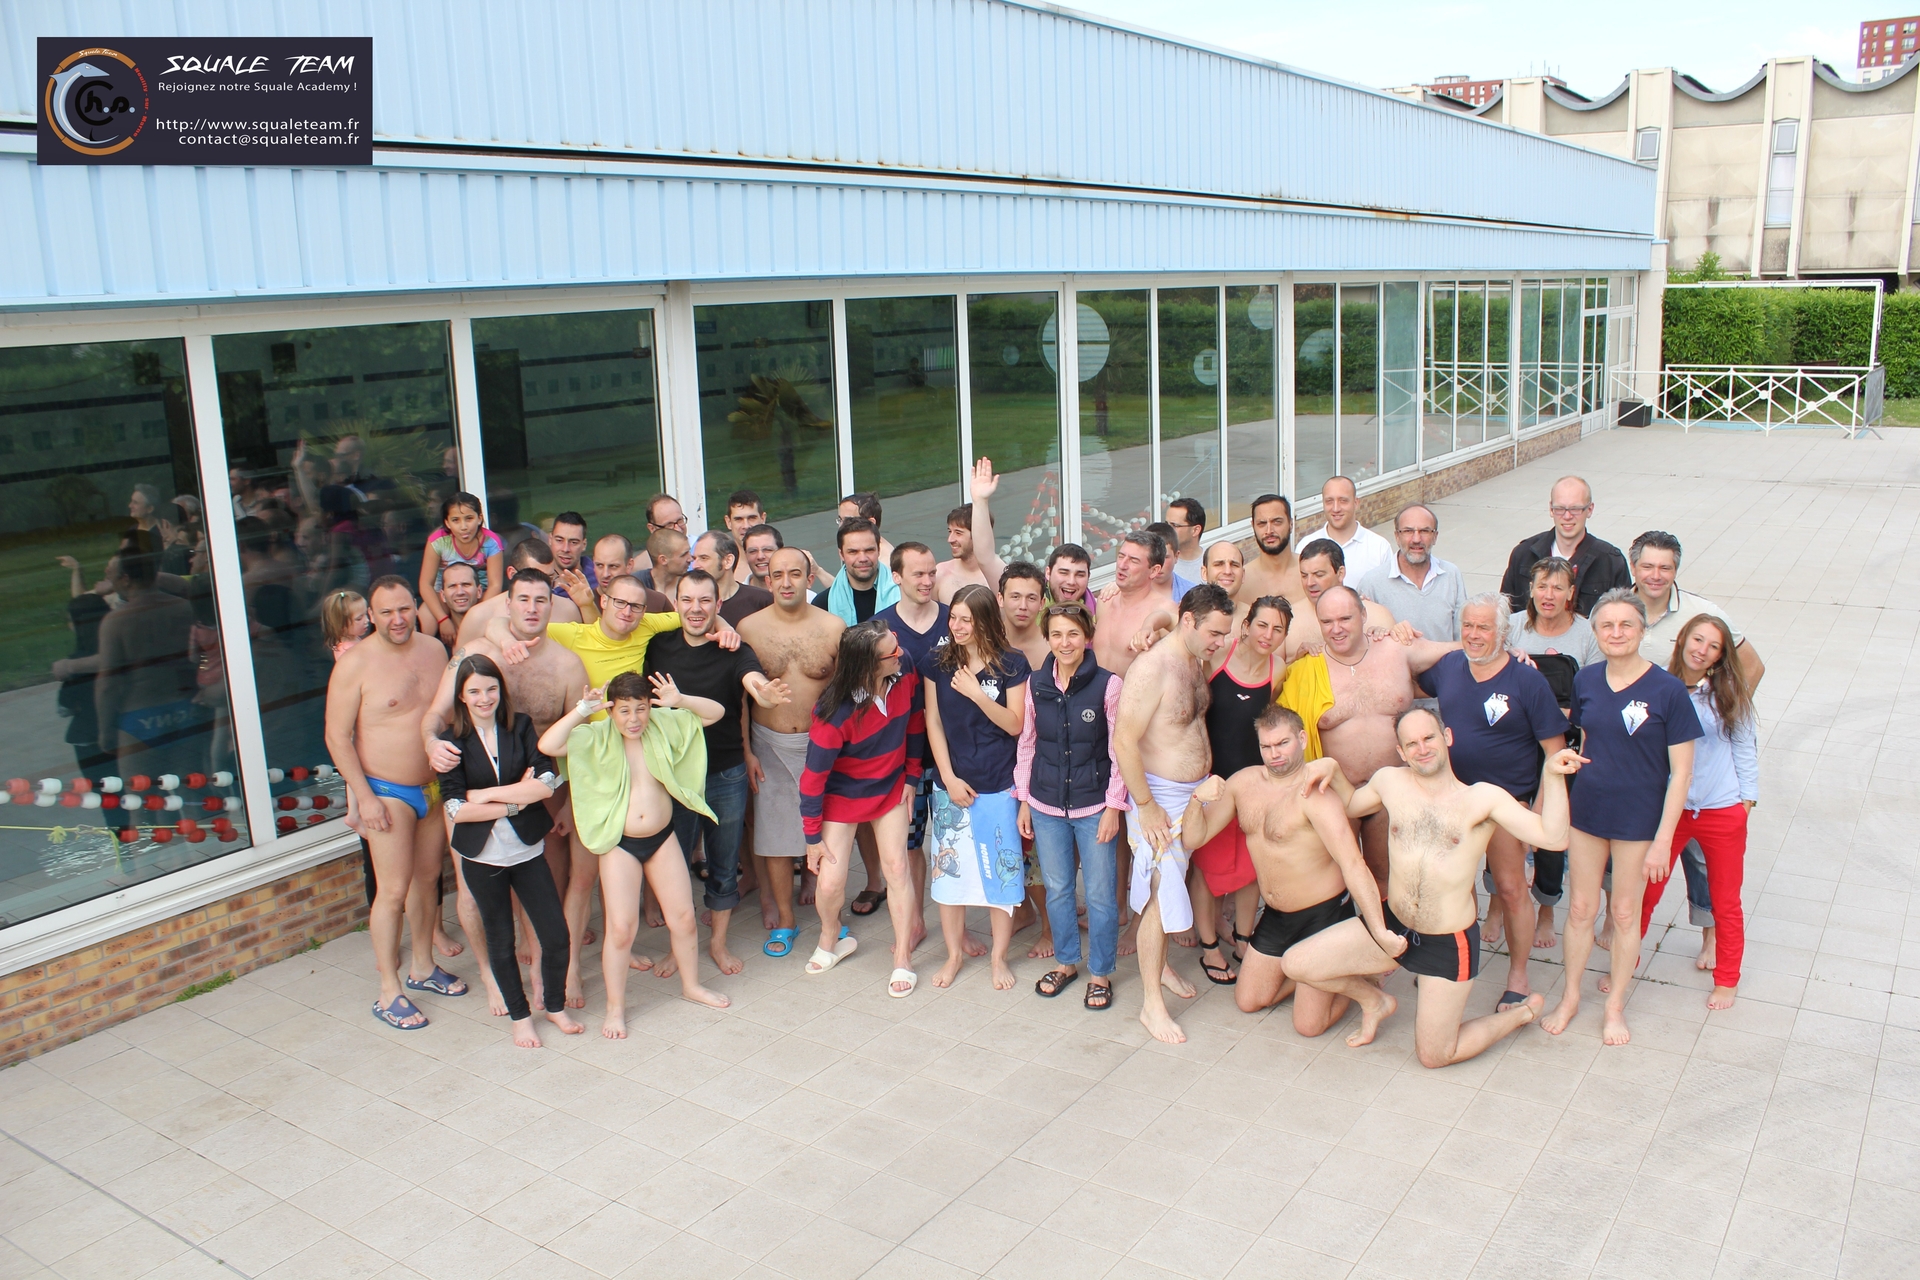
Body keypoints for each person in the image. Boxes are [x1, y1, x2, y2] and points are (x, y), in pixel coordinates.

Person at [1295, 710, 1583, 1066]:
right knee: (1298, 964)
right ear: (1401, 752)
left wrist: (1552, 777)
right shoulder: (1390, 781)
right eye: (1411, 743)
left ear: (1447, 737)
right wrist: (1333, 768)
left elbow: (1553, 838)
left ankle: (1522, 1014)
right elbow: (1353, 804)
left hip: (1448, 941)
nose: (1422, 749)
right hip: (1393, 927)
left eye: (1429, 738)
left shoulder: (1483, 799)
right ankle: (1375, 1001)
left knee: (1435, 1055)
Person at [1178, 705, 1400, 1041]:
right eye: (1266, 746)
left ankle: (1364, 988)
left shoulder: (1315, 793)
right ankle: (1320, 970)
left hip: (1322, 916)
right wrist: (1197, 800)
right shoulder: (1243, 783)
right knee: (1249, 1001)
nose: (1274, 754)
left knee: (1308, 1026)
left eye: (1283, 743)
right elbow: (1194, 838)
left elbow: (1353, 863)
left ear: (1302, 739)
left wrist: (1378, 930)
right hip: (1276, 916)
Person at [1541, 588, 1701, 1046]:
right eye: (1607, 625)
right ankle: (1570, 996)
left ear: (1642, 630)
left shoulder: (1668, 691)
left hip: (1638, 818)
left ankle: (1614, 1007)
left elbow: (1682, 773)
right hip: (1589, 809)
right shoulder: (1587, 679)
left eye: (1626, 624)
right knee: (1580, 909)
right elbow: (1590, 737)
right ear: (1595, 631)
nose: (1616, 633)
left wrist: (1663, 840)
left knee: (1625, 912)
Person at [426, 569, 593, 1001]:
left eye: (541, 600)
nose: (532, 609)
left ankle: (540, 972)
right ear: (508, 604)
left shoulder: (567, 665)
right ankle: (489, 974)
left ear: (552, 606)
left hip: (540, 788)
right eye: (523, 599)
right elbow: (437, 713)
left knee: (541, 884)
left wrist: (570, 802)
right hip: (471, 788)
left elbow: (581, 743)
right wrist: (431, 742)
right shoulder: (476, 654)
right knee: (471, 891)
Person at [539, 672, 731, 1036]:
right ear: (611, 711)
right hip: (620, 843)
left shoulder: (663, 725)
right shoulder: (595, 736)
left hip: (661, 837)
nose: (634, 719)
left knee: (684, 918)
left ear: (649, 708)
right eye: (625, 711)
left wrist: (680, 700)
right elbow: (549, 744)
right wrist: (582, 710)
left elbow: (715, 713)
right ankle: (615, 1008)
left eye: (641, 709)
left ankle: (691, 986)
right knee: (621, 929)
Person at [1414, 594, 1566, 1010]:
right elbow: (1410, 676)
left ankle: (1518, 975)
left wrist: (1539, 815)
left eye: (1484, 627)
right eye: (1468, 625)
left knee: (1513, 889)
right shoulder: (1449, 667)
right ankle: (1447, 960)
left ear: (1503, 633)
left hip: (1506, 805)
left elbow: (1555, 752)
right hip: (1454, 800)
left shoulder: (1527, 681)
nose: (1474, 635)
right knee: (1452, 887)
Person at [325, 576, 464, 1032]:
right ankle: (389, 990)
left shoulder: (434, 650)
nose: (398, 619)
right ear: (371, 616)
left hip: (433, 786)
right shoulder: (355, 664)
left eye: (404, 609)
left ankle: (423, 966)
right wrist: (363, 797)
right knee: (392, 891)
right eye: (386, 612)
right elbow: (336, 737)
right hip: (387, 791)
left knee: (427, 880)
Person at [645, 570, 792, 978]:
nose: (696, 609)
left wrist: (764, 692)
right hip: (674, 776)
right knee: (674, 866)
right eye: (687, 600)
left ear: (718, 604)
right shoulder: (657, 646)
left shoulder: (734, 649)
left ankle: (717, 943)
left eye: (705, 600)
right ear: (676, 603)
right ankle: (679, 946)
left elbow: (753, 679)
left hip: (724, 773)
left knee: (724, 863)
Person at [436, 655, 581, 1048]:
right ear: (462, 697)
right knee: (501, 942)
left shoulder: (520, 726)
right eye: (474, 691)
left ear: (501, 689)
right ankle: (520, 1017)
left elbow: (546, 783)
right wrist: (516, 801)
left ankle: (554, 1006)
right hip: (482, 858)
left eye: (491, 688)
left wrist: (486, 796)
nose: (484, 698)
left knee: (556, 936)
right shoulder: (451, 742)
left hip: (527, 851)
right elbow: (456, 809)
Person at [1114, 583, 1236, 1044]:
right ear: (1190, 622)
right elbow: (1124, 739)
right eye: (1215, 633)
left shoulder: (1193, 655)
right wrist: (1146, 806)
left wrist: (1156, 622)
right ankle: (1151, 1004)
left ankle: (1161, 966)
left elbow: (1167, 610)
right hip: (1158, 796)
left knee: (1171, 886)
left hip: (1194, 794)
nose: (1220, 642)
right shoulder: (1152, 668)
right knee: (1159, 891)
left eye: (1224, 634)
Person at [1283, 585, 1445, 887]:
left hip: (1390, 791)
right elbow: (1274, 719)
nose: (1336, 629)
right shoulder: (1306, 668)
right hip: (1333, 793)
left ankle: (1386, 918)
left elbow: (1462, 649)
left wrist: (1509, 652)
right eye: (1327, 622)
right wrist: (1292, 658)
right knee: (1332, 883)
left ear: (1363, 615)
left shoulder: (1395, 649)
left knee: (1387, 879)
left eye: (1345, 619)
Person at [799, 619, 926, 996]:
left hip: (890, 787)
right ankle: (830, 937)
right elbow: (813, 779)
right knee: (830, 881)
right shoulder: (833, 712)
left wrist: (912, 776)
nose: (900, 652)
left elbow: (915, 720)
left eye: (896, 643)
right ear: (869, 665)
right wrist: (811, 838)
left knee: (897, 867)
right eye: (891, 651)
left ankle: (902, 956)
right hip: (843, 796)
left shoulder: (905, 669)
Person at [1640, 614, 1756, 1011]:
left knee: (1726, 901)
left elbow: (1745, 749)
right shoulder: (1657, 685)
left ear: (1720, 656)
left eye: (1713, 646)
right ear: (1682, 639)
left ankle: (1727, 979)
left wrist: (1745, 804)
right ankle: (1626, 961)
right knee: (1645, 891)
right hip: (1670, 810)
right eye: (1698, 640)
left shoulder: (1728, 694)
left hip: (1720, 810)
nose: (1702, 650)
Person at [1016, 603, 1128, 1011]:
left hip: (1094, 806)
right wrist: (1024, 800)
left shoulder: (1108, 685)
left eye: (1073, 634)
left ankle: (1100, 972)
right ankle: (1065, 963)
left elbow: (1119, 750)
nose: (1065, 643)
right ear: (1048, 638)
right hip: (1045, 805)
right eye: (1057, 634)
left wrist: (1114, 806)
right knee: (1059, 889)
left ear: (1087, 637)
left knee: (1099, 895)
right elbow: (1027, 743)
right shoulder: (1035, 684)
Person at [922, 585, 1032, 991]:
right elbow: (933, 721)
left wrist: (977, 694)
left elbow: (1016, 724)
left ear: (985, 621)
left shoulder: (1012, 664)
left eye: (966, 619)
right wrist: (948, 778)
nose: (957, 626)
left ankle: (999, 957)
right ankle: (953, 955)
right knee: (948, 876)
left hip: (999, 784)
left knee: (1002, 875)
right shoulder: (938, 661)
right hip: (952, 785)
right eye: (953, 617)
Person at [737, 548, 846, 957]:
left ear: (809, 578)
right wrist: (747, 751)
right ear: (767, 581)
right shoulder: (749, 628)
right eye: (778, 575)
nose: (786, 582)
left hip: (822, 746)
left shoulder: (833, 626)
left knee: (831, 836)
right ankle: (786, 919)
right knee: (776, 838)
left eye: (795, 574)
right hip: (768, 744)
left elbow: (846, 694)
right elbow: (738, 698)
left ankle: (830, 917)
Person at [1188, 593, 1292, 983]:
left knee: (1251, 868)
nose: (1268, 634)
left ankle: (1244, 939)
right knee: (1206, 868)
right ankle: (1209, 946)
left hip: (1254, 785)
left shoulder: (1277, 669)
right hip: (1214, 783)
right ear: (1246, 625)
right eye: (1262, 624)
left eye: (1278, 629)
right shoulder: (1218, 656)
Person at [1504, 555, 1600, 949]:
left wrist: (1549, 712)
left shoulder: (1587, 634)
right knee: (1505, 821)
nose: (1548, 594)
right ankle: (1498, 902)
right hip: (1514, 740)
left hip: (1562, 744)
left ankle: (1546, 907)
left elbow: (1595, 696)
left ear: (1570, 593)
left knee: (1551, 827)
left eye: (1558, 587)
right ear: (1530, 589)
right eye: (1542, 585)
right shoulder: (1511, 627)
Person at [874, 542, 950, 949]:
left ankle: (958, 926)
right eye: (918, 573)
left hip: (954, 755)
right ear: (896, 577)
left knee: (953, 841)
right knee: (910, 842)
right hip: (904, 760)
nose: (927, 581)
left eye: (931, 572)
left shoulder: (956, 621)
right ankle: (916, 921)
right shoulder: (879, 631)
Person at [1628, 530, 1765, 688]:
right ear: (1633, 568)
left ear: (1675, 571)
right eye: (1647, 567)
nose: (1656, 576)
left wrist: (1731, 704)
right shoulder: (1611, 610)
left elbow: (1753, 667)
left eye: (1665, 568)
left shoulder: (1704, 612)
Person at [1498, 475, 1632, 617]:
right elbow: (1505, 614)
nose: (1567, 516)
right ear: (1551, 509)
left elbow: (1625, 616)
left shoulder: (1611, 562)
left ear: (1590, 509)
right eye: (1560, 508)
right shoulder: (1523, 554)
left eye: (1575, 509)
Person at [455, 538, 594, 648]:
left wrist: (587, 606)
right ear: (512, 573)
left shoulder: (568, 609)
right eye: (533, 577)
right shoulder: (478, 616)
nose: (543, 585)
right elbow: (461, 668)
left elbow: (591, 649)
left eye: (549, 578)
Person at [1356, 504, 1465, 642]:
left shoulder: (1451, 575)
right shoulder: (1372, 582)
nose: (1416, 539)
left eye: (1424, 531)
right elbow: (1361, 640)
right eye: (1408, 531)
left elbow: (1462, 635)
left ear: (1435, 536)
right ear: (1397, 536)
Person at [1285, 539, 1397, 660]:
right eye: (1304, 576)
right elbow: (1274, 668)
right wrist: (1296, 659)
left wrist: (1383, 641)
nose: (1309, 583)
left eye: (1319, 575)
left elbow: (1398, 662)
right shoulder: (1288, 618)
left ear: (1340, 573)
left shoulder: (1377, 615)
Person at [418, 492, 505, 644]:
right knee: (425, 620)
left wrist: (476, 614)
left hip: (480, 597)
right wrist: (443, 619)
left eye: (469, 518)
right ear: (447, 523)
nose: (463, 527)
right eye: (455, 520)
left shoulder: (491, 542)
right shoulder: (437, 542)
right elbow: (425, 584)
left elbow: (495, 585)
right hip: (445, 597)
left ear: (479, 518)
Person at [1092, 531, 1176, 678]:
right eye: (1121, 556)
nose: (1122, 565)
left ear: (1154, 571)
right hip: (1095, 691)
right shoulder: (1106, 600)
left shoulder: (1165, 610)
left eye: (1134, 560)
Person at [935, 458, 1009, 603]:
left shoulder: (998, 575)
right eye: (950, 531)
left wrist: (980, 501)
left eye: (958, 533)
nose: (950, 539)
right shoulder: (940, 574)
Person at [1297, 476, 1392, 585]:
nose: (1336, 508)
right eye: (1329, 501)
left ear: (1356, 503)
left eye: (1343, 501)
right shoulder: (1305, 546)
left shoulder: (1379, 548)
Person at [814, 518, 897, 625]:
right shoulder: (822, 605)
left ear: (879, 551)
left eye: (869, 550)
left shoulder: (904, 597)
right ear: (841, 554)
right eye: (853, 552)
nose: (862, 558)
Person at [692, 530, 773, 626]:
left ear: (728, 561)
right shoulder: (690, 606)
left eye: (704, 558)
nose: (695, 565)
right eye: (694, 559)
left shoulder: (762, 601)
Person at [998, 561, 1049, 669]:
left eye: (1031, 598)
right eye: (1015, 597)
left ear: (1042, 603)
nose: (1023, 606)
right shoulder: (985, 642)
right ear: (1001, 599)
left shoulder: (1054, 647)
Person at [1165, 498, 1207, 597]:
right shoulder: (1160, 563)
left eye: (1174, 525)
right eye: (1166, 524)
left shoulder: (1212, 562)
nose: (1167, 530)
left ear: (1195, 530)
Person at [438, 562, 483, 645]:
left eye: (466, 585)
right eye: (452, 586)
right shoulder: (435, 642)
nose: (460, 592)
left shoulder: (494, 632)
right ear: (443, 596)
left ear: (479, 591)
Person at [1045, 544, 1095, 615]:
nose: (1071, 582)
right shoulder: (1031, 605)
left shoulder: (1100, 613)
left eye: (1080, 575)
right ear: (1048, 573)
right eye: (1064, 573)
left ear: (1088, 577)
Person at [549, 511, 595, 590]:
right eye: (559, 540)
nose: (565, 549)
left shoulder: (598, 582)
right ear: (550, 539)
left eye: (573, 542)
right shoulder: (535, 577)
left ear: (584, 545)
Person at [639, 528, 690, 598]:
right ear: (663, 560)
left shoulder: (694, 584)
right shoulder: (636, 585)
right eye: (683, 555)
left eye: (689, 552)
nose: (690, 559)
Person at [740, 524, 782, 592]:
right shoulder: (737, 596)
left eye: (767, 550)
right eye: (753, 551)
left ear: (781, 552)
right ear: (745, 555)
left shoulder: (800, 593)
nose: (760, 556)